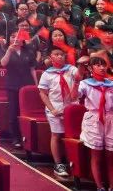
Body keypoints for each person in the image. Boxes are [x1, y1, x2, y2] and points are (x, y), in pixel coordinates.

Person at [37, 47, 78, 179]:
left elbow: (79, 76)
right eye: (56, 54)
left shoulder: (71, 69)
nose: (60, 56)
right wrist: (52, 109)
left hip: (71, 107)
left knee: (72, 136)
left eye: (62, 54)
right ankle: (58, 164)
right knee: (56, 135)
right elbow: (43, 93)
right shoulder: (47, 74)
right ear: (51, 57)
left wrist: (82, 66)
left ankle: (73, 163)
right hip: (55, 107)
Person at [78, 56, 113, 190]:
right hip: (94, 119)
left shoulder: (111, 84)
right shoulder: (85, 83)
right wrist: (76, 81)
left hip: (110, 118)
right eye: (98, 65)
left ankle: (111, 186)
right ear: (91, 68)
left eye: (103, 65)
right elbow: (75, 97)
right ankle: (99, 187)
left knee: (111, 155)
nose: (102, 68)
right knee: (96, 154)